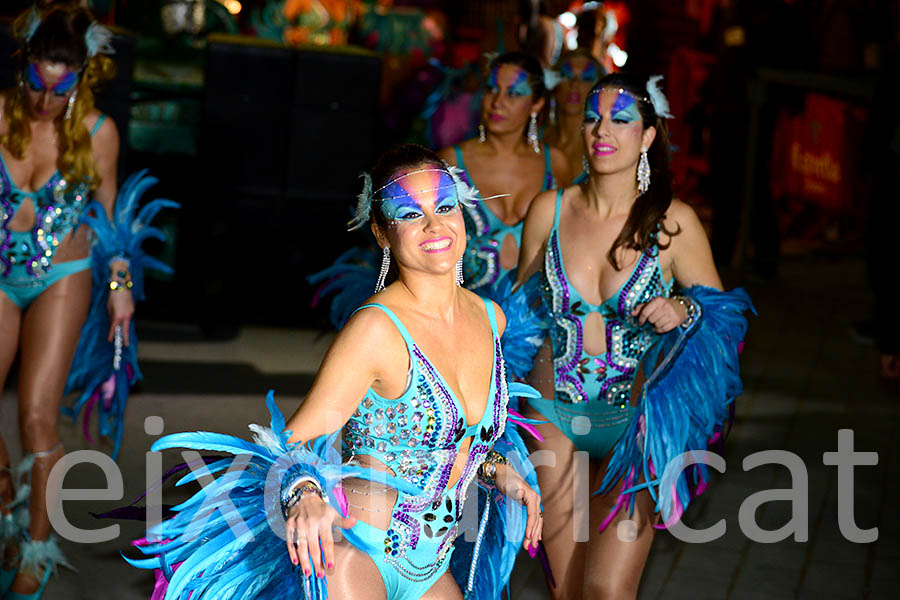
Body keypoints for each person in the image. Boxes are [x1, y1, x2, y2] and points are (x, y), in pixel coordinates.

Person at [128, 144, 543, 600]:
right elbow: (293, 441)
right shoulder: (377, 329)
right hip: (355, 555)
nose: (433, 225)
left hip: (434, 569)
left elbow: (457, 442)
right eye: (409, 214)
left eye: (445, 206)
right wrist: (305, 494)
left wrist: (499, 470)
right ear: (383, 234)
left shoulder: (491, 319)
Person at [515, 73, 753, 598]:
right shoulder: (547, 211)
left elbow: (725, 323)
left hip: (636, 429)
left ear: (647, 137)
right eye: (594, 118)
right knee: (566, 589)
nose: (603, 130)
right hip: (551, 416)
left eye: (621, 120)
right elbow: (516, 317)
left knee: (606, 591)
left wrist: (684, 308)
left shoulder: (673, 223)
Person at [0, 4, 127, 599]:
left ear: (82, 75)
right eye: (36, 83)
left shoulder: (98, 135)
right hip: (0, 276)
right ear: (24, 64)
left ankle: (37, 545)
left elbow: (113, 219)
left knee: (35, 416)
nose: (46, 99)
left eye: (63, 85)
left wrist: (120, 291)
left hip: (63, 275)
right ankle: (8, 499)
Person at [438, 51, 571, 294]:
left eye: (513, 93)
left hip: (538, 323)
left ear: (536, 104)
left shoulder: (556, 164)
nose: (497, 101)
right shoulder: (450, 162)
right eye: (491, 89)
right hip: (467, 321)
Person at [543, 49, 605, 181]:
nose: (575, 84)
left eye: (586, 78)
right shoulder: (534, 138)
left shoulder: (604, 146)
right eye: (566, 76)